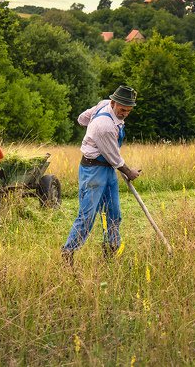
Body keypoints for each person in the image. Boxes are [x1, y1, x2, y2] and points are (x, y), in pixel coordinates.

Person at [61, 85, 141, 265]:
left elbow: (82, 119)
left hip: (108, 170)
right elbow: (114, 157)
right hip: (93, 171)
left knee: (114, 212)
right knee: (87, 215)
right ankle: (68, 252)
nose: (125, 114)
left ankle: (111, 249)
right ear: (113, 103)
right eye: (122, 109)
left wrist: (90, 128)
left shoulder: (103, 105)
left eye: (128, 111)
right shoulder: (104, 126)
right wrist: (129, 172)